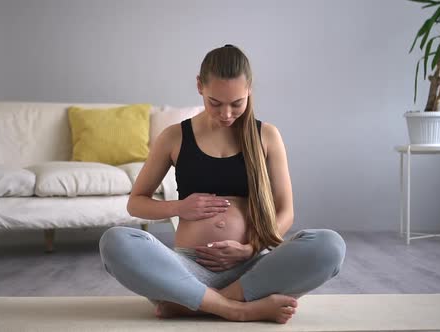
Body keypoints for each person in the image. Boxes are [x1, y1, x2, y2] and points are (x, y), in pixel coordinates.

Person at [99, 44, 346, 324]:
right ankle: (237, 309)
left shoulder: (267, 135)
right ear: (199, 87)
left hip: (253, 268)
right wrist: (179, 207)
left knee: (330, 245)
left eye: (236, 104)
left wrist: (252, 247)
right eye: (215, 103)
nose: (226, 113)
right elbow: (136, 203)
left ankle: (195, 303)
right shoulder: (174, 137)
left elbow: (285, 212)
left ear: (249, 89)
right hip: (187, 270)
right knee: (115, 241)